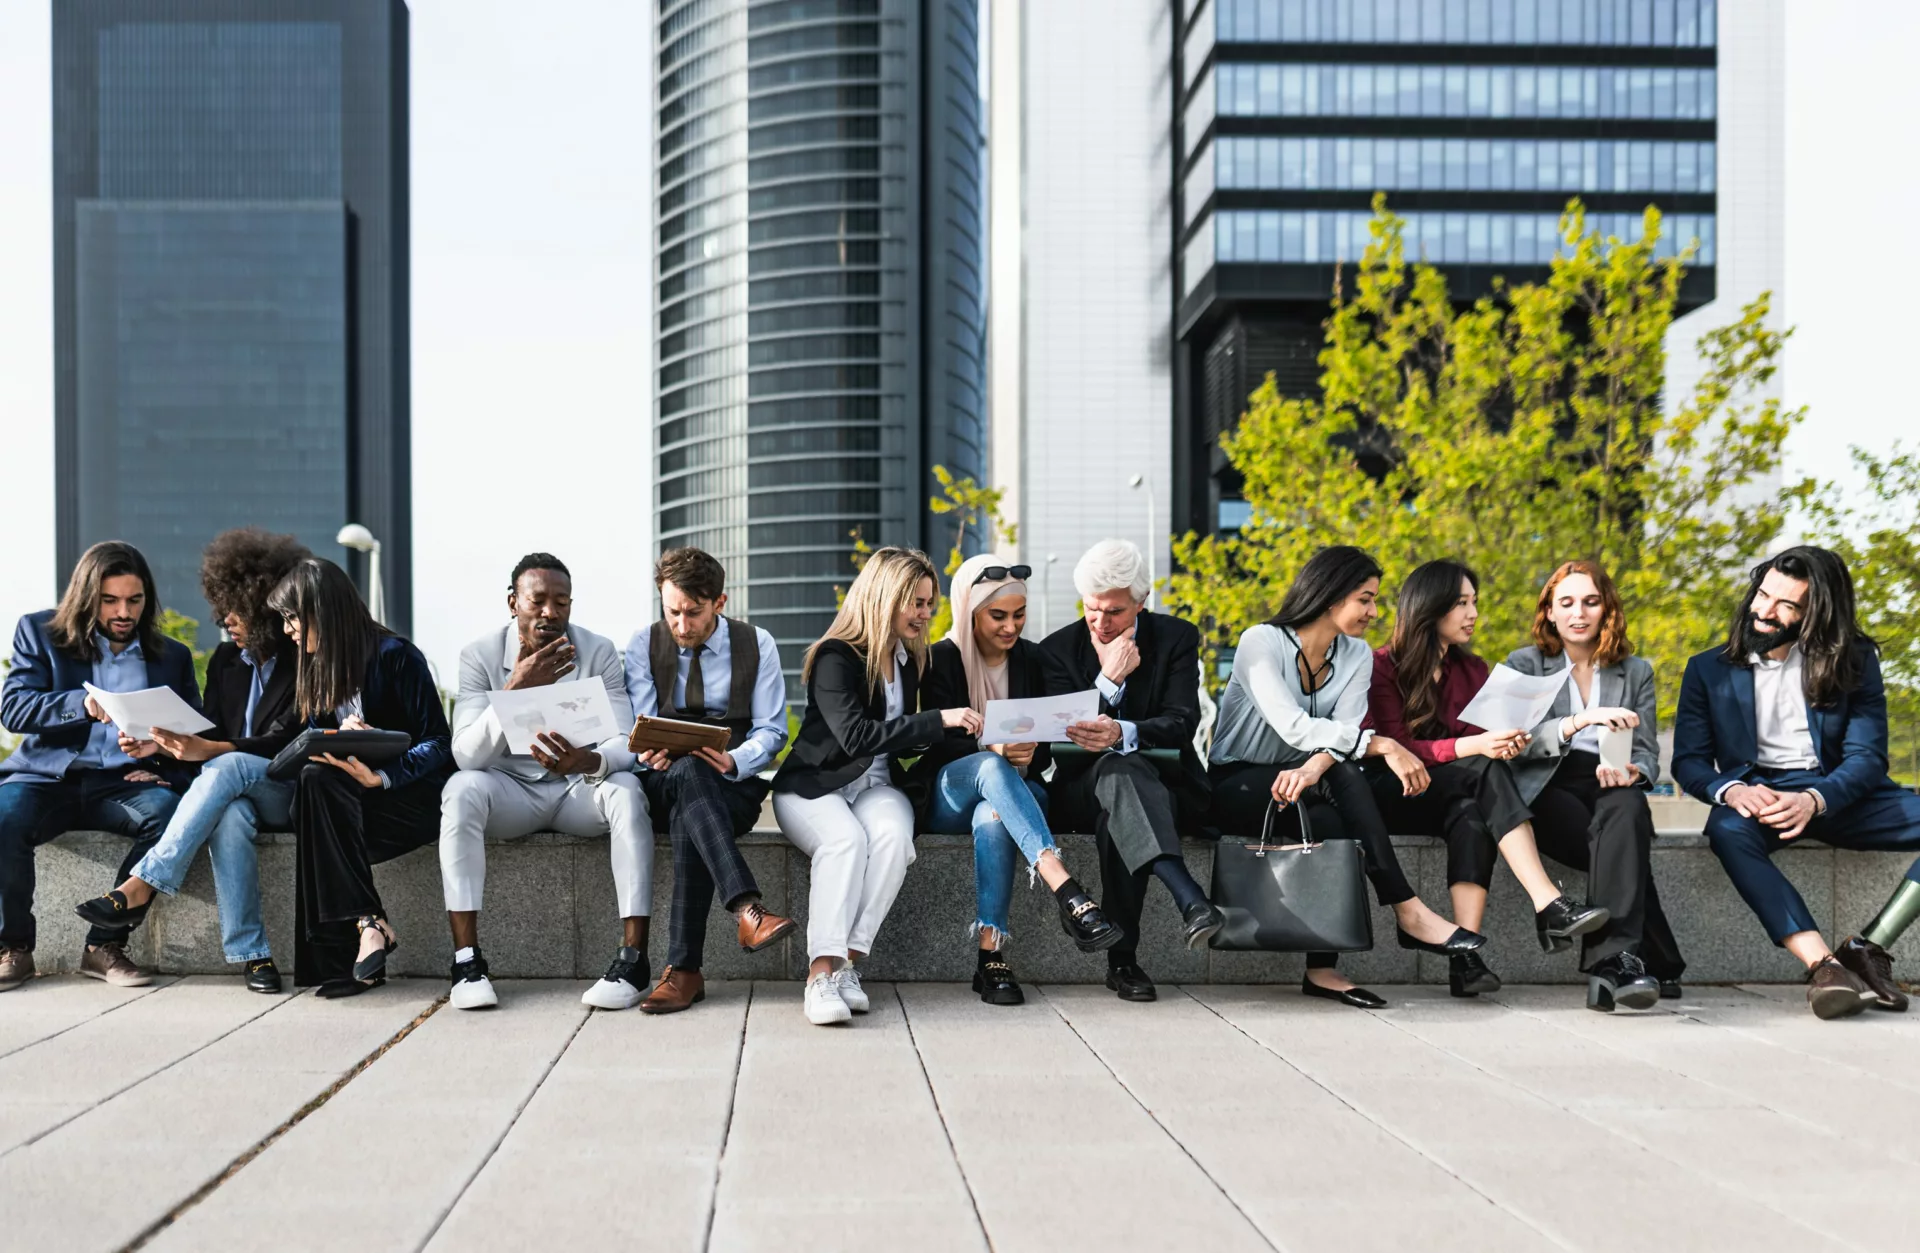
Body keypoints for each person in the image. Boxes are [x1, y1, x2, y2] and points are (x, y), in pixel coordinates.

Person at [1208, 546, 1485, 1009]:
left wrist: (1316, 765)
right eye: (1365, 599)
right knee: (1351, 770)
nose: (1375, 612)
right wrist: (1382, 744)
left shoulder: (1355, 655)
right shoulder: (1261, 642)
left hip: (1308, 778)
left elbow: (1348, 730)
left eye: (1375, 599)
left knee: (1334, 818)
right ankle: (1407, 909)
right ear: (1330, 596)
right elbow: (1293, 724)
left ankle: (1323, 970)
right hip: (1237, 780)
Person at [1674, 546, 1920, 1020]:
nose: (1764, 612)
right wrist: (1733, 791)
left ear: (1815, 615)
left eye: (1786, 605)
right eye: (1762, 595)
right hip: (1758, 794)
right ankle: (1823, 965)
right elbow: (1689, 762)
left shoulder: (1856, 659)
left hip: (1840, 792)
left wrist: (1815, 798)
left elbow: (1867, 757)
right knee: (1725, 830)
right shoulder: (1707, 669)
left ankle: (1868, 948)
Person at [70, 528, 311, 993]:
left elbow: (292, 741)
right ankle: (253, 955)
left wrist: (214, 751)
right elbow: (209, 734)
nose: (224, 620)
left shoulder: (303, 658)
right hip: (237, 794)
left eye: (235, 609)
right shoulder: (225, 660)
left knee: (228, 765)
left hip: (289, 789)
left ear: (266, 605)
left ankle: (142, 884)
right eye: (221, 607)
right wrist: (161, 748)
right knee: (230, 816)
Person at [1366, 560, 1608, 998]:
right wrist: (1476, 748)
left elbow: (1481, 740)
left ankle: (1465, 959)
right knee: (1481, 773)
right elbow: (1395, 746)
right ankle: (1547, 901)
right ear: (1430, 607)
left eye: (1474, 602)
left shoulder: (1473, 670)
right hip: (1389, 791)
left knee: (1471, 810)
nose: (1473, 614)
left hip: (1451, 792)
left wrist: (1505, 741)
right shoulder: (1382, 666)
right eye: (1461, 604)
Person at [441, 553, 649, 1011]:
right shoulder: (478, 656)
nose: (550, 612)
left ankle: (634, 960)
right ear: (513, 602)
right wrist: (515, 686)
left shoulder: (598, 652)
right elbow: (466, 755)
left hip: (577, 790)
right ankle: (466, 962)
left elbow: (624, 741)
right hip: (510, 791)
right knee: (459, 792)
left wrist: (588, 760)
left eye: (561, 602)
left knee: (628, 791)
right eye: (537, 601)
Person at [773, 547, 969, 1026]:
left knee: (893, 838)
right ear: (885, 598)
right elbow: (857, 735)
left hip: (875, 783)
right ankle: (819, 974)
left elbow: (896, 741)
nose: (925, 615)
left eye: (929, 604)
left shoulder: (907, 661)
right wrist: (937, 720)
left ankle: (847, 965)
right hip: (814, 787)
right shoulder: (835, 657)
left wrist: (946, 734)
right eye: (916, 603)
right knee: (845, 840)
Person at [915, 553, 1120, 1006]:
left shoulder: (1033, 659)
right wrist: (994, 748)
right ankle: (1065, 888)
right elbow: (938, 741)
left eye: (1019, 614)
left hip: (1015, 796)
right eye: (998, 616)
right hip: (951, 793)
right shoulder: (940, 660)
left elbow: (1045, 739)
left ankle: (991, 958)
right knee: (991, 767)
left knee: (994, 815)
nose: (1011, 626)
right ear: (971, 610)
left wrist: (1026, 749)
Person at [0, 541, 201, 992]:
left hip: (123, 784)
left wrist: (164, 757)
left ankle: (103, 946)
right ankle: (12, 947)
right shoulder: (39, 632)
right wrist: (83, 705)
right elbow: (13, 708)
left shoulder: (172, 657)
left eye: (134, 600)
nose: (123, 612)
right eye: (110, 601)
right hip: (47, 777)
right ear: (87, 597)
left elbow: (196, 738)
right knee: (3, 817)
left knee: (171, 814)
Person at [1039, 539, 1224, 1004]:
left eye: (1115, 612)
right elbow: (1064, 743)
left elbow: (1183, 724)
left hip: (1167, 787)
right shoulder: (1057, 650)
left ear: (1141, 603)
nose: (1101, 623)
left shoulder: (1176, 637)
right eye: (1092, 609)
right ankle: (1189, 897)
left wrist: (1122, 733)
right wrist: (1109, 681)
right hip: (1079, 786)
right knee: (1113, 777)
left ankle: (1123, 962)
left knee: (1120, 792)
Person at [1505, 560, 1686, 1011]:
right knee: (1621, 847)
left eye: (1590, 601)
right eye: (1565, 603)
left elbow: (1646, 752)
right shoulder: (1524, 664)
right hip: (1548, 782)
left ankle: (1614, 962)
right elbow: (1515, 745)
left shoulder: (1636, 670)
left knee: (1628, 809)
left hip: (1610, 777)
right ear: (1549, 611)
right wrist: (1577, 722)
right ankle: (1652, 958)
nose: (1578, 613)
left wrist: (1634, 773)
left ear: (1607, 608)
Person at [622, 547, 795, 1015]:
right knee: (685, 775)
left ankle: (684, 972)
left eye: (693, 613)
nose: (680, 624)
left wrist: (736, 759)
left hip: (733, 788)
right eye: (671, 611)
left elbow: (772, 730)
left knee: (692, 797)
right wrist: (647, 750)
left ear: (719, 602)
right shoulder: (642, 645)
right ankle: (746, 911)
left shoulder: (758, 643)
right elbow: (635, 726)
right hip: (660, 783)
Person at [271, 558, 453, 994]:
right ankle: (368, 926)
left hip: (408, 802)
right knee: (315, 781)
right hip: (346, 809)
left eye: (292, 617)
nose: (288, 630)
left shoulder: (397, 656)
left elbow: (438, 742)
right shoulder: (316, 671)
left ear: (323, 609)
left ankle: (343, 955)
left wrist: (383, 770)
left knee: (317, 800)